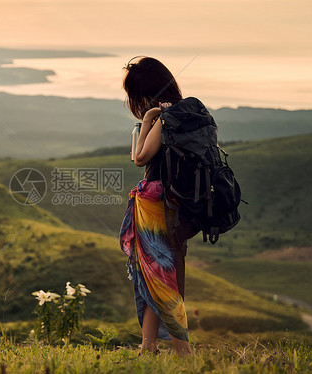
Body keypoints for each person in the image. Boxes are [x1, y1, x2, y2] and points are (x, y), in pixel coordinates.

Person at [119, 56, 193, 356]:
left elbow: (140, 157)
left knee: (160, 278)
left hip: (155, 203)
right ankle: (147, 347)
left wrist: (149, 120)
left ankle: (184, 354)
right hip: (180, 203)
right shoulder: (190, 113)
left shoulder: (163, 117)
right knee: (156, 273)